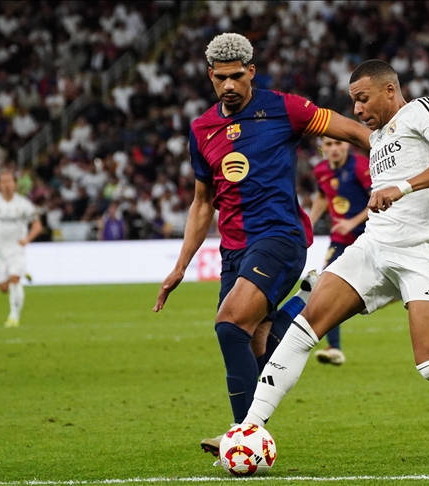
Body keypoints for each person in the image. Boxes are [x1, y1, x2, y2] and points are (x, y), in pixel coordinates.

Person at [237, 60, 429, 462]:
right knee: (302, 329)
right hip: (373, 247)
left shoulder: (424, 110)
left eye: (363, 100)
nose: (359, 110)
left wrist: (402, 187)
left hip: (423, 248)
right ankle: (248, 428)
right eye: (354, 102)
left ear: (390, 91)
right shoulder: (377, 138)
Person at [151, 33, 372, 455]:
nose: (229, 86)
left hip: (280, 237)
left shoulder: (285, 108)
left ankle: (241, 433)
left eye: (237, 77)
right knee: (258, 351)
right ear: (210, 76)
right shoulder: (201, 129)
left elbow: (354, 132)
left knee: (229, 323)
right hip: (234, 251)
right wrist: (180, 266)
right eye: (221, 79)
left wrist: (394, 164)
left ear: (251, 72)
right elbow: (202, 204)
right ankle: (300, 306)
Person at [309, 136, 372, 366]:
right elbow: (323, 197)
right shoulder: (321, 170)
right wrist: (310, 221)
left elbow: (378, 198)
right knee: (325, 288)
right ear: (322, 148)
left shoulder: (360, 165)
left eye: (338, 144)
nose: (334, 149)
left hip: (371, 237)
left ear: (347, 145)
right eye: (328, 145)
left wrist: (352, 222)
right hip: (341, 239)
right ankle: (334, 347)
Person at [0, 171, 42, 328]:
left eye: (9, 181)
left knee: (15, 279)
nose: (7, 185)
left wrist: (27, 239)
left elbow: (37, 225)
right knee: (3, 287)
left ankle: (14, 317)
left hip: (16, 248)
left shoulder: (24, 204)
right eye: (3, 182)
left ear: (15, 184)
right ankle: (19, 273)